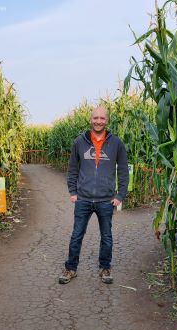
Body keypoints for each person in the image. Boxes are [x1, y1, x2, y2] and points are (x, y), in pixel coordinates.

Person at [59, 106, 129, 285]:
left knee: (106, 236)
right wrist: (73, 192)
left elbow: (123, 171)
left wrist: (120, 195)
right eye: (96, 118)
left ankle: (105, 267)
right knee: (76, 235)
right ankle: (70, 269)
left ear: (107, 121)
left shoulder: (116, 144)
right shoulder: (79, 142)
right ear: (90, 120)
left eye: (102, 118)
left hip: (106, 200)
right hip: (83, 199)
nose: (99, 121)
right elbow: (73, 169)